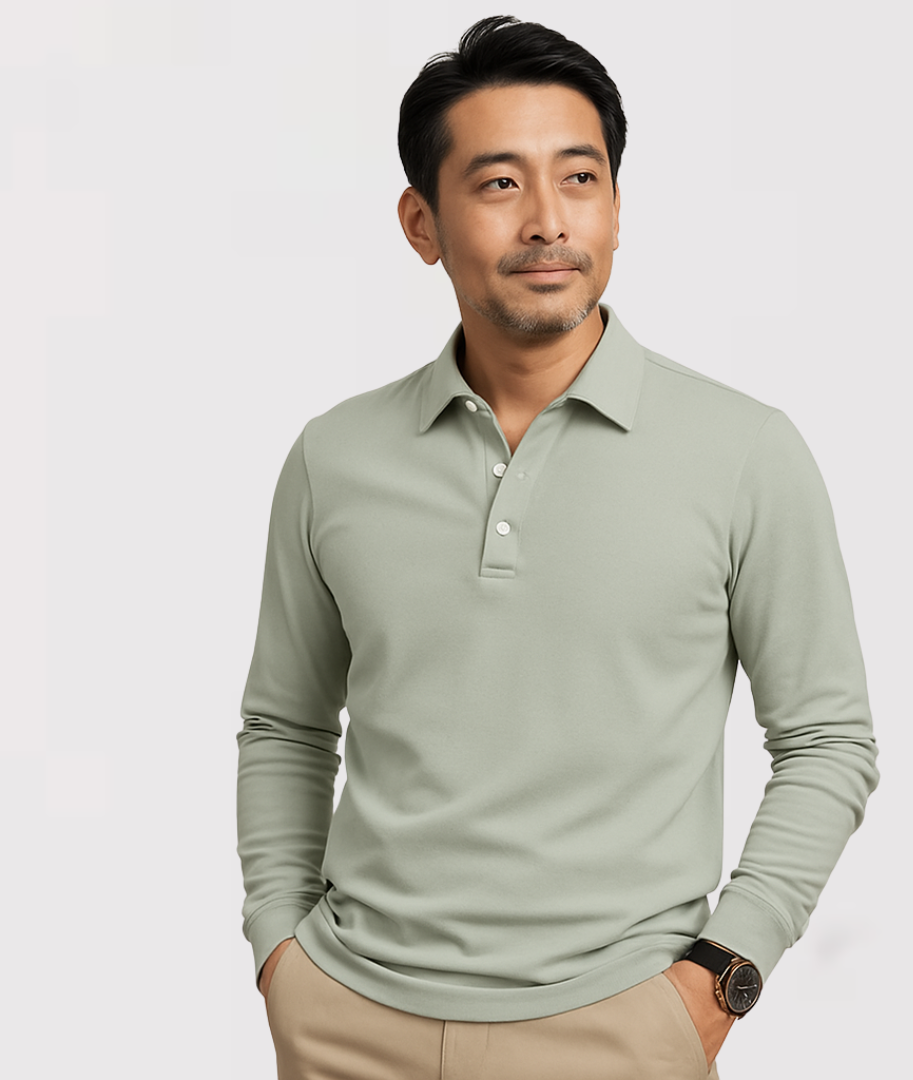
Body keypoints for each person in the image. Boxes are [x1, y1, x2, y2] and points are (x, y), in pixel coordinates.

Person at [236, 15, 879, 1079]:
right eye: (499, 184)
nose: (548, 221)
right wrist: (279, 950)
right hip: (347, 1022)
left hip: (618, 1027)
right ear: (421, 221)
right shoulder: (334, 457)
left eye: (580, 179)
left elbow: (828, 741)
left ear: (616, 207)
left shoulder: (744, 453)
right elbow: (286, 724)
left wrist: (721, 978)